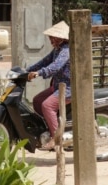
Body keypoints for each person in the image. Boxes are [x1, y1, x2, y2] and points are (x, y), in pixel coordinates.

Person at [26, 21, 71, 150]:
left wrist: (39, 73)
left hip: (68, 88)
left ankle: (57, 137)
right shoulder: (57, 50)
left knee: (47, 105)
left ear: (61, 38)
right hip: (58, 86)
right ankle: (50, 126)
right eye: (50, 37)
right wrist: (27, 70)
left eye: (53, 37)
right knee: (37, 100)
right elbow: (44, 61)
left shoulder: (66, 50)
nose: (50, 39)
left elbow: (55, 67)